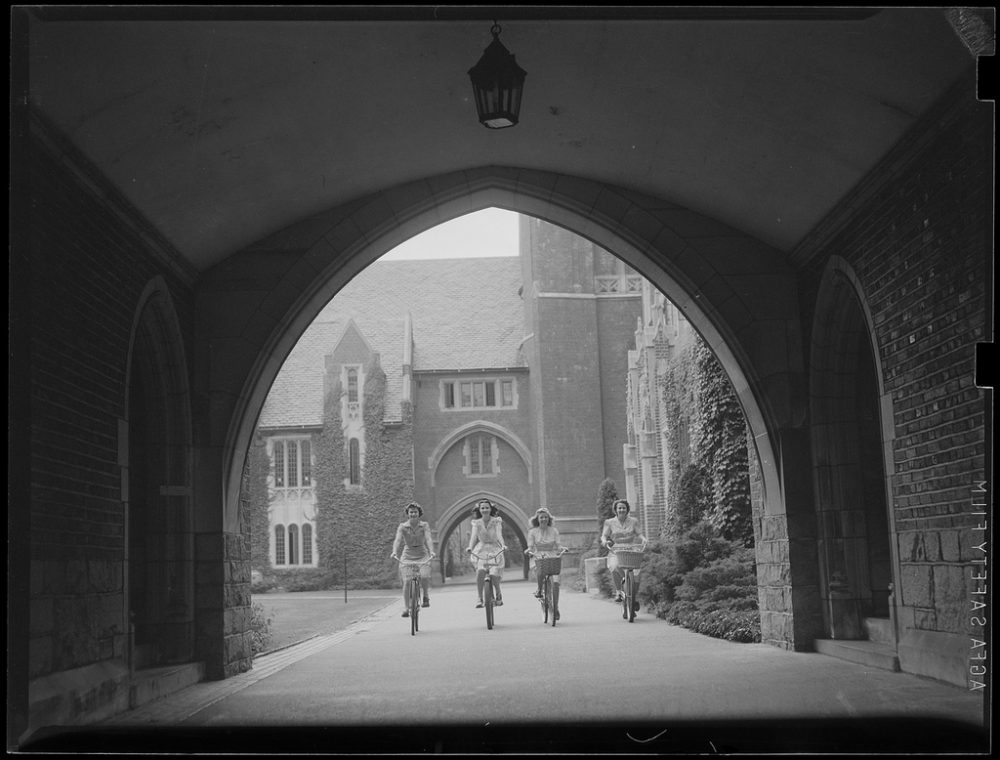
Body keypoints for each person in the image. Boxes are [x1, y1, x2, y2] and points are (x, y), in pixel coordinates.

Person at [600, 498, 648, 614]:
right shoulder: (609, 522)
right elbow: (604, 536)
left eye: (624, 508)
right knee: (615, 566)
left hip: (631, 549)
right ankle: (618, 591)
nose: (621, 510)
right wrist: (605, 542)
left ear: (627, 510)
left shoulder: (634, 521)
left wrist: (644, 539)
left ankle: (633, 597)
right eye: (619, 508)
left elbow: (639, 533)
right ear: (615, 510)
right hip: (616, 550)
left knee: (636, 575)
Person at [389, 502, 435, 617]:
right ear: (408, 514)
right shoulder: (402, 527)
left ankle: (425, 596)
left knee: (424, 575)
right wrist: (394, 551)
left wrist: (432, 551)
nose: (413, 514)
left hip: (422, 553)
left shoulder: (424, 525)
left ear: (419, 513)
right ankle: (406, 608)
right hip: (408, 554)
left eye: (415, 512)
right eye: (411, 512)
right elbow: (398, 540)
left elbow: (428, 539)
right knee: (407, 581)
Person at [526, 506, 566, 620]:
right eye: (541, 517)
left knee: (556, 582)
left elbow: (558, 545)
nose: (543, 519)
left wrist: (562, 548)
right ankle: (539, 590)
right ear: (537, 519)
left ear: (549, 519)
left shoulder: (554, 531)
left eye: (545, 517)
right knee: (540, 571)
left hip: (552, 555)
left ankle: (556, 607)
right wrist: (529, 551)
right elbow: (530, 546)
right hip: (538, 555)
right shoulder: (532, 532)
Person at [465, 499, 506, 608]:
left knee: (493, 573)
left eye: (487, 507)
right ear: (479, 510)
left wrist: (503, 545)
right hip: (481, 549)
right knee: (480, 571)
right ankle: (479, 597)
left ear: (490, 509)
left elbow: (499, 534)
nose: (485, 510)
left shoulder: (496, 521)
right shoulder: (476, 522)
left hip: (494, 549)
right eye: (482, 508)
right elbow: (474, 536)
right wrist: (470, 547)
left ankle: (498, 592)